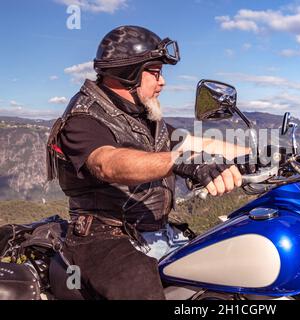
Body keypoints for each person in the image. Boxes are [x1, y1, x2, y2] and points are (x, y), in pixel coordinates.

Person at [46, 25, 249, 300]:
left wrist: (261, 155)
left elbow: (201, 144)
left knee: (226, 273)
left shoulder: (143, 117)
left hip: (158, 231)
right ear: (127, 73)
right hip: (104, 237)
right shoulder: (84, 118)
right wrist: (182, 162)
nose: (162, 82)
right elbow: (108, 163)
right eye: (155, 72)